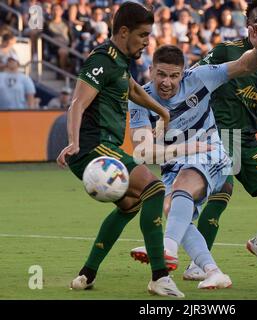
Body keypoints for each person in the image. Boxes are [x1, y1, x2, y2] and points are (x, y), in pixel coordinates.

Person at [56, 2, 184, 298]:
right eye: (142, 35)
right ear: (123, 32)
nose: (146, 42)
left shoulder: (119, 60)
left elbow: (133, 89)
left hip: (104, 147)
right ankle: (159, 276)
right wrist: (73, 142)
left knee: (130, 205)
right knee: (154, 188)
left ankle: (87, 273)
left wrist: (162, 113)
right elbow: (76, 104)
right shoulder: (101, 59)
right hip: (92, 148)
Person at [129, 26, 257, 288]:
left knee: (183, 187)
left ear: (183, 74)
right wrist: (185, 149)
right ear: (150, 71)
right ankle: (213, 271)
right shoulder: (140, 98)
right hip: (175, 165)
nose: (167, 82)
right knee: (174, 211)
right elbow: (143, 151)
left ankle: (165, 248)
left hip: (212, 155)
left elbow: (243, 65)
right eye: (160, 74)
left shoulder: (200, 78)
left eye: (173, 76)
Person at [182, 0, 257, 280]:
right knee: (222, 190)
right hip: (218, 134)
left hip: (246, 140)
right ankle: (200, 263)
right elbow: (192, 79)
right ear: (248, 22)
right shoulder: (226, 50)